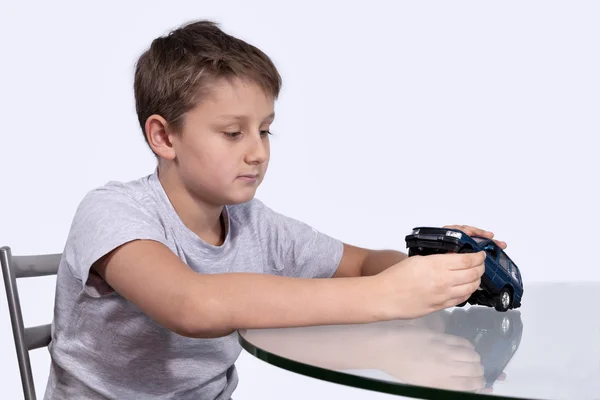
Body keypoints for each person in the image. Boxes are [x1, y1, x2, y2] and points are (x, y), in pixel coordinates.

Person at [43, 19, 506, 400]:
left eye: (264, 131)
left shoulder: (255, 225)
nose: (257, 152)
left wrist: (436, 266)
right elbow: (192, 304)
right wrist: (385, 295)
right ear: (164, 137)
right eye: (232, 133)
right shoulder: (112, 211)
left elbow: (364, 263)